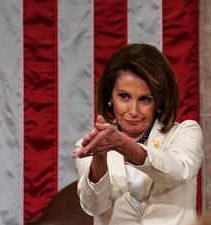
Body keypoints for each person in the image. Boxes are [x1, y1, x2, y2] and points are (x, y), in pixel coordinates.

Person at [72, 43, 204, 225]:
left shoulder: (185, 132)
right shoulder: (90, 144)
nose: (133, 111)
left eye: (145, 99)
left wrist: (124, 145)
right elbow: (94, 206)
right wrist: (100, 157)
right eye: (124, 97)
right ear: (110, 98)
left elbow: (178, 173)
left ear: (159, 101)